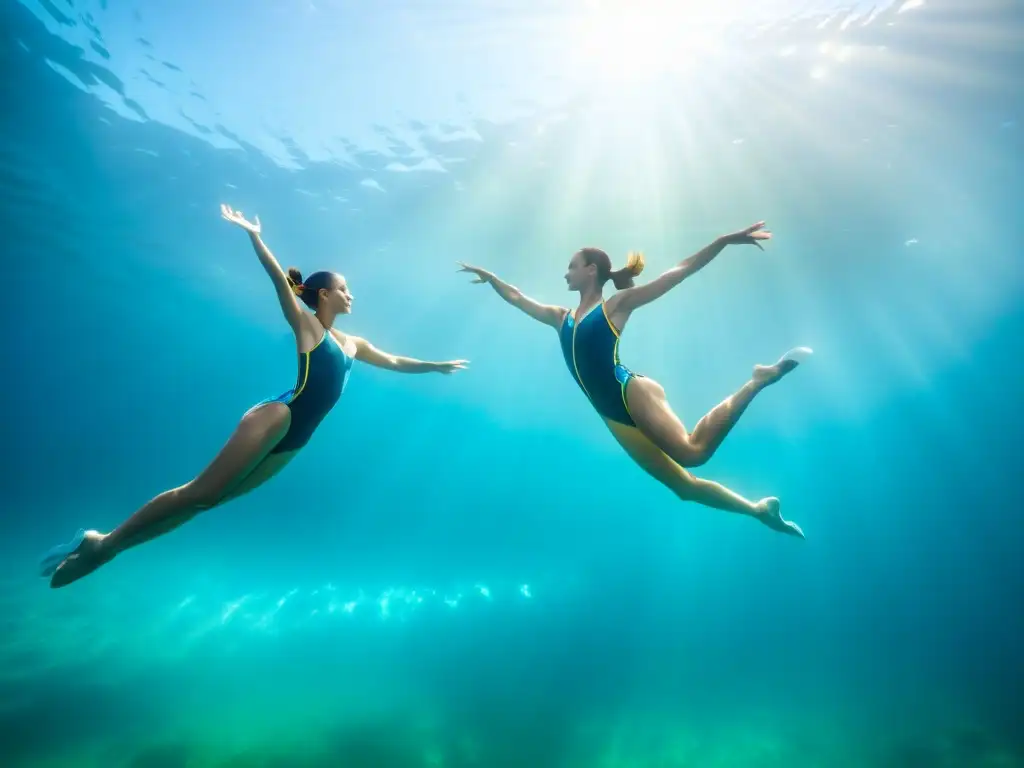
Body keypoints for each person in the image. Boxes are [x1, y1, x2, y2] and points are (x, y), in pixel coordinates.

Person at [40, 204, 468, 588]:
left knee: (212, 501)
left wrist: (433, 365)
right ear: (324, 294)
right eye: (344, 289)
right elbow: (280, 283)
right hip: (278, 416)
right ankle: (103, 542)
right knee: (201, 492)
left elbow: (392, 361)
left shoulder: (353, 343)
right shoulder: (308, 327)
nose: (350, 295)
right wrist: (255, 235)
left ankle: (108, 549)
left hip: (297, 437)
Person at [458, 221, 809, 538]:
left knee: (692, 453)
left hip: (629, 392)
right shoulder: (559, 317)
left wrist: (722, 241)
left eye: (571, 266)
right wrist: (491, 278)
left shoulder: (616, 305)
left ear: (591, 270)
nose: (565, 274)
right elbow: (518, 298)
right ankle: (759, 511)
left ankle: (758, 380)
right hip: (612, 415)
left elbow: (677, 273)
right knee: (684, 488)